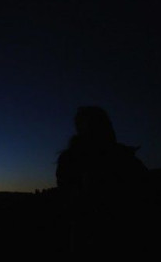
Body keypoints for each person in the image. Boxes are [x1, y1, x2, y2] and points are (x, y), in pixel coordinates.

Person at [56, 106, 149, 254]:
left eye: (105, 123)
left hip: (127, 235)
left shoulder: (125, 158)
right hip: (89, 236)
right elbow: (69, 199)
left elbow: (144, 193)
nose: (106, 129)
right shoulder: (72, 160)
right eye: (94, 124)